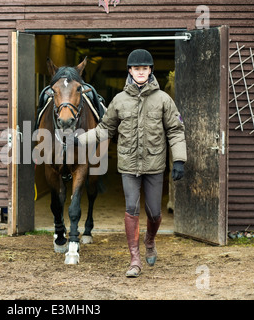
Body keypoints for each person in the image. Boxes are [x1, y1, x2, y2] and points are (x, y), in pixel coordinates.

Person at [75, 49, 187, 277]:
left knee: (154, 213)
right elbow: (104, 129)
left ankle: (150, 240)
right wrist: (77, 141)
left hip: (155, 166)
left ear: (150, 71)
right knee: (132, 209)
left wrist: (179, 160)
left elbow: (175, 130)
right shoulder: (119, 100)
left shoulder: (164, 100)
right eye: (137, 69)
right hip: (128, 166)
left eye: (145, 68)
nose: (141, 72)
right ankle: (135, 259)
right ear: (130, 71)